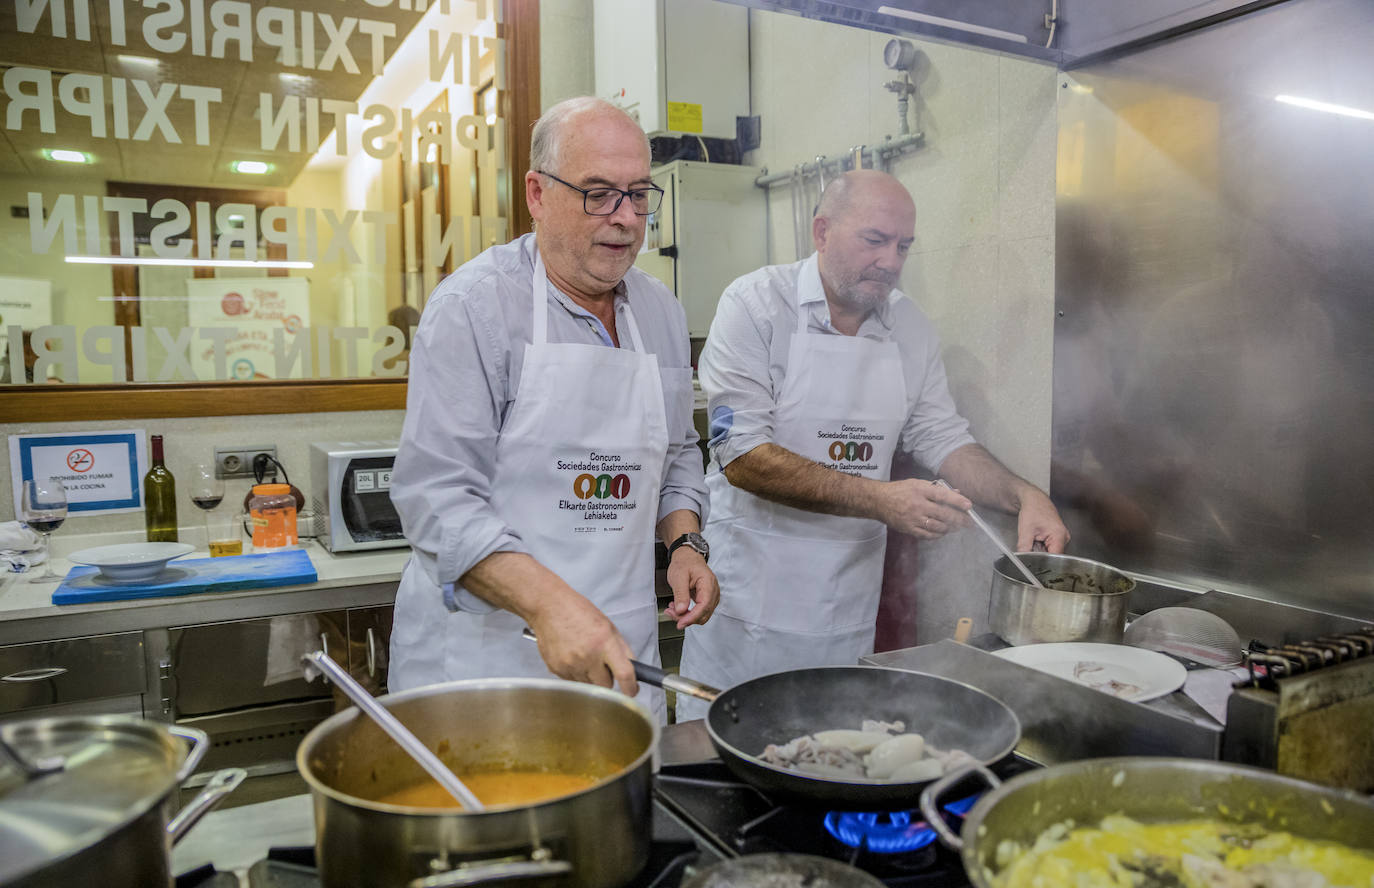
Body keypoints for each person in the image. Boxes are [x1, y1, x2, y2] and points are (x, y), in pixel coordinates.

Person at [676, 169, 1069, 720]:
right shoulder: (756, 305)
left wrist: (1023, 495)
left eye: (903, 246)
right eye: (874, 240)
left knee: (831, 759)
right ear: (822, 231)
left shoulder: (909, 326)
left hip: (846, 615)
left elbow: (943, 436)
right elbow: (741, 457)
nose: (891, 261)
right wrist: (882, 500)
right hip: (747, 617)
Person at [388, 97, 720, 722]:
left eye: (639, 194)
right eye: (598, 193)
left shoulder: (661, 312)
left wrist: (685, 545)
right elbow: (437, 499)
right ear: (537, 194)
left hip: (623, 650)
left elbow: (676, 452)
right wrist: (547, 606)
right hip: (491, 663)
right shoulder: (475, 307)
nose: (625, 218)